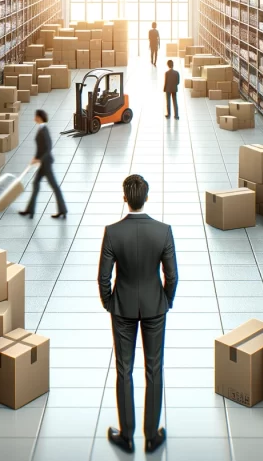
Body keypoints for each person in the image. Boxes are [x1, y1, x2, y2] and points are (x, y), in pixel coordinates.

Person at [98, 174, 177, 455]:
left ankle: (127, 436)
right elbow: (172, 275)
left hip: (123, 308)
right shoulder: (163, 231)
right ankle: (152, 435)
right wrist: (165, 300)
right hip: (155, 307)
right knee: (154, 369)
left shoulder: (112, 232)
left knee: (124, 370)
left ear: (125, 198)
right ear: (146, 197)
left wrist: (111, 303)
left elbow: (103, 277)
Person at [19, 109, 68, 219]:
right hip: (43, 163)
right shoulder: (41, 129)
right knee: (36, 184)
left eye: (35, 116)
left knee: (54, 187)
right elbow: (41, 147)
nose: (34, 118)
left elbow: (48, 148)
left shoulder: (44, 130)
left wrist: (39, 159)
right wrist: (35, 157)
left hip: (46, 163)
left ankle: (63, 210)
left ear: (39, 117)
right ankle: (30, 210)